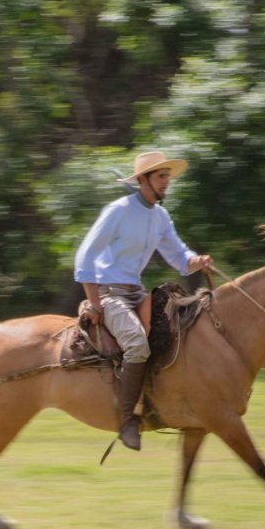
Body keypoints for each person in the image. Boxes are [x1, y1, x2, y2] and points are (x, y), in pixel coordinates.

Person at [74, 151, 213, 451]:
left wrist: (196, 260)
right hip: (110, 293)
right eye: (161, 177)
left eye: (167, 177)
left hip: (137, 292)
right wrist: (94, 302)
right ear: (143, 179)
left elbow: (179, 256)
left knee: (183, 331)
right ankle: (127, 421)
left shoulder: (160, 216)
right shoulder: (118, 211)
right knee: (137, 344)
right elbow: (85, 255)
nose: (167, 182)